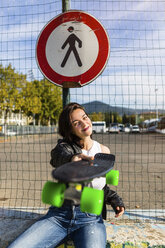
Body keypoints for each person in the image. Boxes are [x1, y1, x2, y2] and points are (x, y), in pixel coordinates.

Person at [8, 102, 125, 248]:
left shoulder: (103, 151)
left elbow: (100, 186)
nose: (84, 123)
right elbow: (57, 156)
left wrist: (114, 199)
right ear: (70, 130)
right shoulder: (64, 148)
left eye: (85, 117)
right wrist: (73, 159)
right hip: (58, 217)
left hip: (90, 220)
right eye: (76, 123)